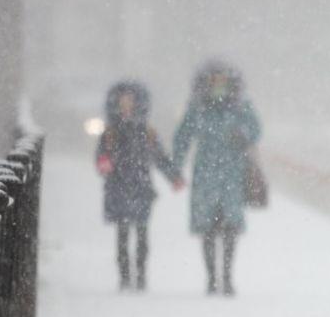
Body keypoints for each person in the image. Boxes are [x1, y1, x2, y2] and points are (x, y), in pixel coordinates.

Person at [172, 59, 263, 295]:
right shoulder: (197, 107)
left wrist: (243, 135)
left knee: (231, 227)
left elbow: (256, 130)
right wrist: (176, 168)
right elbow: (183, 137)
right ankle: (212, 277)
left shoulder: (242, 107)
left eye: (223, 80)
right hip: (206, 174)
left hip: (233, 173)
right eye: (215, 80)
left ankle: (228, 276)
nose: (219, 85)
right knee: (208, 228)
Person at [95, 80, 184, 291]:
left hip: (141, 189)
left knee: (142, 235)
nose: (126, 106)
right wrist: (105, 163)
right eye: (122, 101)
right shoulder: (110, 133)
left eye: (130, 101)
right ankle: (125, 276)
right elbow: (100, 158)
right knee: (123, 234)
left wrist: (174, 177)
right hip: (118, 188)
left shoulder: (147, 133)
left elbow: (160, 158)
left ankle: (141, 274)